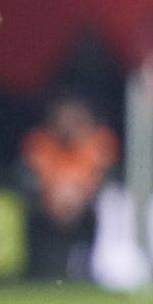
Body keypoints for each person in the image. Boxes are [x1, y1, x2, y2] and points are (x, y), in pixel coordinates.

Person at [20, 96, 118, 280]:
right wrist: (55, 197)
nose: (67, 123)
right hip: (49, 204)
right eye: (64, 117)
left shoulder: (98, 140)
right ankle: (37, 267)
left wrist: (79, 197)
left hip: (85, 204)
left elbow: (102, 177)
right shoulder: (41, 140)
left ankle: (93, 266)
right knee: (29, 212)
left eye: (72, 117)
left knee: (108, 207)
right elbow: (33, 177)